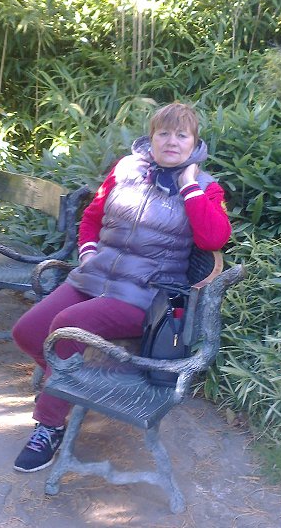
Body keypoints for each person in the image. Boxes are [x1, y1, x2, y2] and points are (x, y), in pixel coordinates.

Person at [12, 102, 231, 473]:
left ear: (195, 143)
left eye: (181, 135)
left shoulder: (207, 188)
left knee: (66, 327)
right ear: (152, 137)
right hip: (94, 278)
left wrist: (189, 185)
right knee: (27, 331)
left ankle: (49, 426)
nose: (171, 141)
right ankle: (67, 385)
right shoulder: (126, 169)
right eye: (164, 133)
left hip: (145, 296)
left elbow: (214, 238)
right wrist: (88, 252)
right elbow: (92, 217)